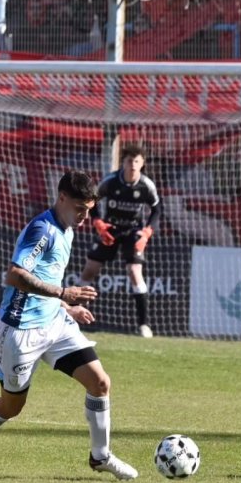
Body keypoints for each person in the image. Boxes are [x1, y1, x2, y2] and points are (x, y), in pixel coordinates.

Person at [0, 170, 139, 481]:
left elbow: (48, 277)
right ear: (62, 198)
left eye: (89, 210)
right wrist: (63, 293)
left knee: (100, 382)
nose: (84, 216)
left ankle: (101, 456)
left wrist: (66, 307)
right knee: (11, 406)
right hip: (19, 330)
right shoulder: (42, 230)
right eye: (80, 208)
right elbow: (13, 276)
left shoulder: (67, 228)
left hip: (54, 322)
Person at [79, 144, 162, 338]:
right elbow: (93, 201)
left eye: (136, 161)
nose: (132, 165)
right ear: (122, 162)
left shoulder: (146, 185)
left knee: (134, 272)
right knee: (90, 268)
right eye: (128, 161)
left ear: (142, 164)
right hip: (111, 229)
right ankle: (72, 314)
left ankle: (144, 325)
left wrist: (147, 232)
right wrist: (98, 222)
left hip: (133, 231)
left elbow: (157, 210)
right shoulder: (111, 182)